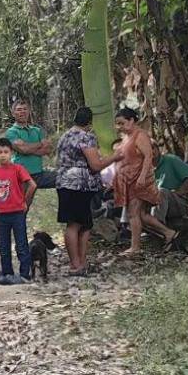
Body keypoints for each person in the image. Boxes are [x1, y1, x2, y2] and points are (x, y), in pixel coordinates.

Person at [55, 107, 122, 275]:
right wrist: (115, 156)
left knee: (75, 223)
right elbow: (95, 165)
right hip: (80, 186)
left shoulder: (65, 136)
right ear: (90, 123)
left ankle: (77, 263)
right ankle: (78, 263)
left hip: (64, 182)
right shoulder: (86, 137)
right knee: (80, 225)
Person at [114, 107, 180, 257]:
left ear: (131, 120)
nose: (120, 127)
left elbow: (148, 156)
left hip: (140, 180)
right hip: (130, 180)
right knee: (142, 215)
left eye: (122, 123)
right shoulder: (127, 137)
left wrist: (143, 177)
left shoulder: (140, 135)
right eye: (117, 124)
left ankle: (135, 247)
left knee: (133, 214)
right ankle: (170, 233)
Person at [0, 138, 37, 285]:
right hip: (2, 214)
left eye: (6, 152)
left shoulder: (17, 169)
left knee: (21, 244)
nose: (3, 155)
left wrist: (24, 203)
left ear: (11, 153)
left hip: (17, 213)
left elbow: (32, 185)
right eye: (0, 152)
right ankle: (7, 274)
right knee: (4, 246)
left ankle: (24, 275)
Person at [5, 99, 56, 189]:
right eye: (19, 109)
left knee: (63, 179)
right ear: (13, 113)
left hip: (38, 174)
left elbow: (48, 149)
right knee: (22, 202)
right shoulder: (11, 132)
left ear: (29, 112)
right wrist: (40, 144)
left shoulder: (37, 130)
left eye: (25, 109)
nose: (22, 112)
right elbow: (23, 149)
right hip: (20, 175)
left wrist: (28, 148)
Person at [153, 152, 188, 230]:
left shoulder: (170, 160)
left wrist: (180, 191)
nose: (151, 151)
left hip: (177, 203)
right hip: (157, 206)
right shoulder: (144, 167)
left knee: (161, 192)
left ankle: (157, 227)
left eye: (153, 148)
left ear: (157, 149)